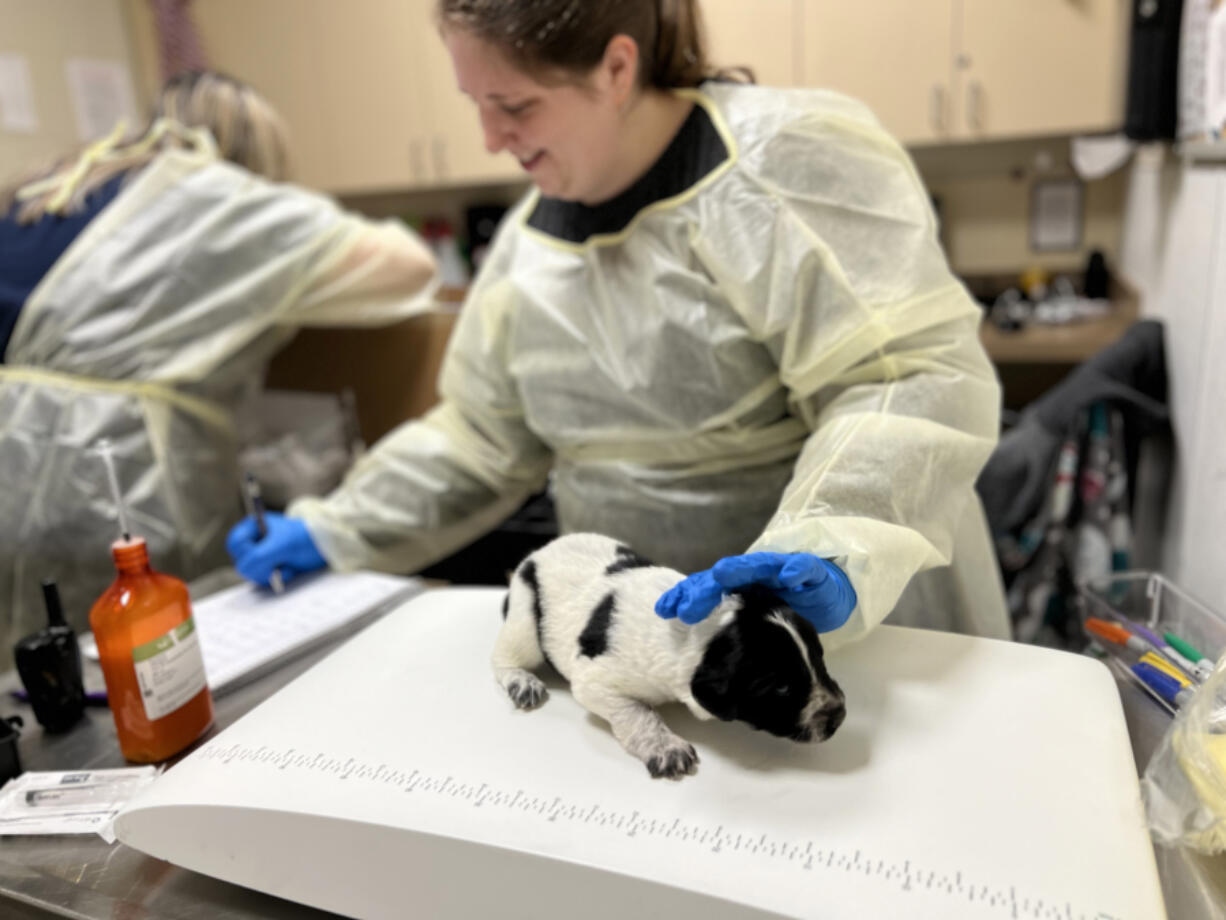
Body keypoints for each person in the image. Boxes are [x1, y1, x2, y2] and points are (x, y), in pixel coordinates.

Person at [228, 0, 1009, 649]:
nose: (490, 139)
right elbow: (479, 439)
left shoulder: (784, 162)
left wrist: (835, 546)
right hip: (643, 638)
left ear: (617, 67)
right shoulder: (528, 246)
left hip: (843, 632)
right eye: (477, 105)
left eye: (515, 105)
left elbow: (905, 376)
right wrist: (335, 529)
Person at [0, 71, 438, 661]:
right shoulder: (211, 196)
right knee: (156, 671)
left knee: (36, 678)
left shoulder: (57, 185)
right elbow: (408, 268)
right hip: (114, 484)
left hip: (13, 480)